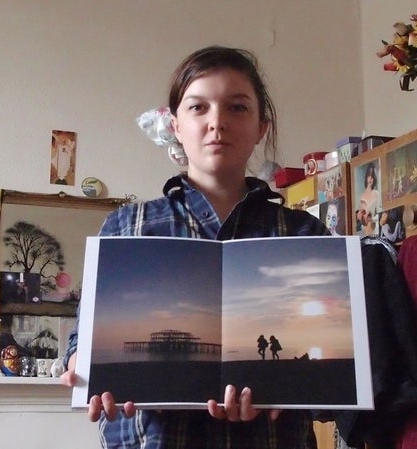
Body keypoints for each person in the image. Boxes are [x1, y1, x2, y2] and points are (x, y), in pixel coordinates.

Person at [61, 45, 329, 448]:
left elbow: (325, 370)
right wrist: (81, 365)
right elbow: (83, 338)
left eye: (237, 108)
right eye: (198, 107)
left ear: (262, 128)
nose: (216, 122)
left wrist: (293, 389)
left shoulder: (304, 235)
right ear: (175, 125)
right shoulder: (124, 226)